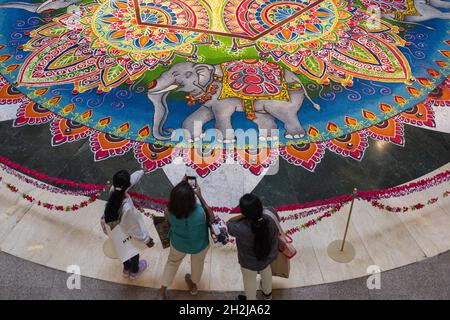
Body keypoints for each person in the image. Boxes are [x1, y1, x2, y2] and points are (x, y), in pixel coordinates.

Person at [159, 180, 214, 299]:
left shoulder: (168, 211)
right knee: (198, 264)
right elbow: (212, 218)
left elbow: (169, 223)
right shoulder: (200, 212)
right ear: (191, 199)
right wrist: (200, 195)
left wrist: (180, 188)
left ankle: (162, 291)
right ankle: (193, 285)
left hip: (178, 243)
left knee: (172, 263)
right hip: (199, 245)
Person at [102, 169, 154, 279]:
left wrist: (141, 171)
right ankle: (134, 271)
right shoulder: (127, 209)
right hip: (125, 233)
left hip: (113, 232)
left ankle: (126, 270)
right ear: (127, 186)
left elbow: (130, 180)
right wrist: (146, 240)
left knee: (122, 250)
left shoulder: (113, 190)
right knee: (133, 252)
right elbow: (134, 228)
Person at [227, 194, 279, 300]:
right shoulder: (271, 214)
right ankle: (267, 295)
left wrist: (243, 215)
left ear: (244, 213)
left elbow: (229, 223)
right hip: (268, 256)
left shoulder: (239, 228)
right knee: (266, 273)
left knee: (249, 281)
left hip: (248, 262)